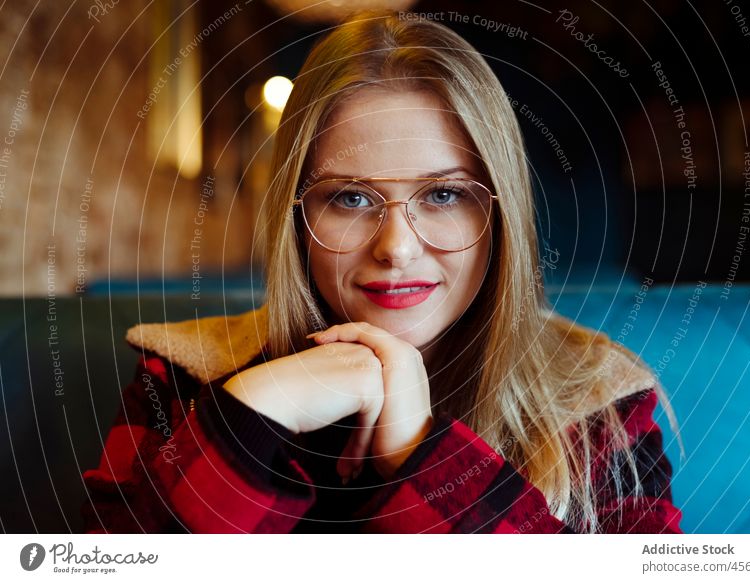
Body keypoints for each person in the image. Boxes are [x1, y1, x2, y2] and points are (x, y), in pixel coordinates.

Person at [81, 9, 682, 534]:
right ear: (297, 216)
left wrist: (421, 454)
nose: (396, 248)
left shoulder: (596, 400)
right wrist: (257, 408)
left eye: (443, 195)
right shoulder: (182, 375)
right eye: (350, 198)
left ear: (501, 213)